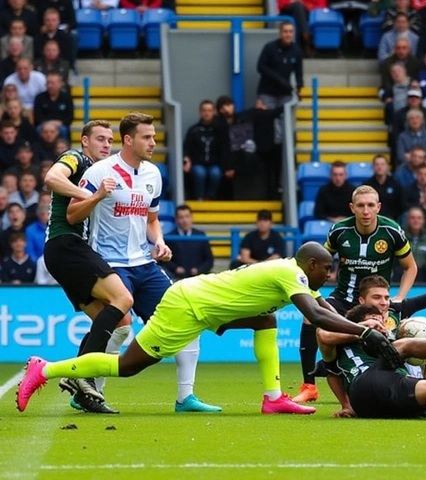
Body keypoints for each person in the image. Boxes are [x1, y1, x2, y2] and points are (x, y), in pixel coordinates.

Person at [16, 243, 404, 414]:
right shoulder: (291, 273)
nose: (329, 275)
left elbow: (327, 309)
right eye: (327, 269)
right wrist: (365, 333)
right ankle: (44, 369)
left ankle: (272, 398)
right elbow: (319, 318)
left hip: (204, 304)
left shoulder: (292, 273)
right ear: (312, 265)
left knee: (266, 318)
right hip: (188, 306)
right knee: (127, 366)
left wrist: (364, 315)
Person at [66, 113, 220, 414]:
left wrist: (159, 241)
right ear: (128, 139)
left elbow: (151, 219)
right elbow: (72, 215)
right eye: (146, 137)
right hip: (108, 265)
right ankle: (89, 392)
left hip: (144, 264)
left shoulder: (153, 174)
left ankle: (185, 398)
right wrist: (97, 196)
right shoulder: (100, 172)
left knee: (187, 318)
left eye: (153, 136)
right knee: (121, 328)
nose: (153, 142)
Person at [293, 185, 418, 403]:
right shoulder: (339, 231)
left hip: (374, 303)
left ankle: (392, 379)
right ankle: (309, 386)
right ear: (352, 208)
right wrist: (313, 290)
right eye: (361, 205)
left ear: (379, 207)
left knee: (388, 337)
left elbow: (411, 267)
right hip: (342, 298)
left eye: (371, 205)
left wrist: (398, 298)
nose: (366, 211)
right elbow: (320, 261)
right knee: (309, 317)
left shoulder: (392, 231)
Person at [42, 120, 134, 414]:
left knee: (120, 323)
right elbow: (52, 178)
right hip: (66, 245)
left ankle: (81, 386)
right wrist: (91, 195)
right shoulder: (76, 158)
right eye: (100, 139)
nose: (107, 145)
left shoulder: (102, 173)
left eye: (110, 140)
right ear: (84, 141)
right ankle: (82, 376)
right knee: (123, 299)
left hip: (67, 251)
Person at [256, 21, 302, 146]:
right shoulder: (270, 47)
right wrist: (278, 79)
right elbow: (260, 67)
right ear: (280, 33)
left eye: (291, 32)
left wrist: (299, 87)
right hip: (267, 91)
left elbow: (299, 72)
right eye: (285, 31)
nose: (288, 34)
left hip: (285, 93)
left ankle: (284, 150)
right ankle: (268, 150)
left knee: (285, 122)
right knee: (267, 122)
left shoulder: (297, 51)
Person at [182, 100, 222, 201]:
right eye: (204, 110)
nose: (207, 113)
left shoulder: (219, 130)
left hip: (215, 163)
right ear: (199, 112)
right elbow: (186, 148)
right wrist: (187, 160)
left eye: (209, 110)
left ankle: (209, 198)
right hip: (197, 163)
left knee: (215, 173)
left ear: (214, 112)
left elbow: (224, 148)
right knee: (200, 173)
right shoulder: (193, 130)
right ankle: (199, 198)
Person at [163, 204, 213, 280]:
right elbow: (164, 260)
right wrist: (175, 268)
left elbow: (209, 260)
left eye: (187, 216)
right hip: (176, 278)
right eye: (181, 217)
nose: (184, 220)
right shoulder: (169, 237)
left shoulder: (201, 236)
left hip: (198, 278)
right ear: (176, 219)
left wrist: (199, 270)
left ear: (192, 218)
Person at [362, 154, 404, 221]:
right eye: (377, 164)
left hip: (391, 220)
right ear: (372, 167)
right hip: (371, 219)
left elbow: (400, 205)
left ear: (387, 166)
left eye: (382, 164)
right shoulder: (367, 185)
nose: (379, 167)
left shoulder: (395, 184)